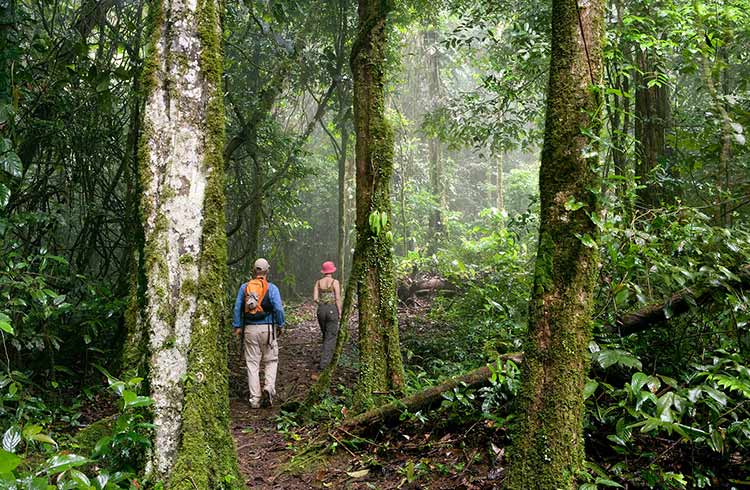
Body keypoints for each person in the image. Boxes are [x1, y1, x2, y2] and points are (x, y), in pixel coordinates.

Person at [232, 258, 285, 409]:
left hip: (249, 329)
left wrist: (237, 326)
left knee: (252, 364)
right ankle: (268, 388)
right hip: (267, 329)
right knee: (271, 361)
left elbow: (237, 308)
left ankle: (254, 399)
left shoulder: (245, 287)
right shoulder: (272, 288)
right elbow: (278, 309)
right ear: (267, 271)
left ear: (254, 271)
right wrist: (281, 325)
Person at [313, 260, 342, 371]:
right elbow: (338, 298)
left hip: (321, 310)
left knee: (326, 335)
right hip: (332, 309)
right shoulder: (335, 282)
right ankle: (324, 364)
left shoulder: (318, 282)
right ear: (332, 271)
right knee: (330, 337)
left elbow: (315, 298)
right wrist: (339, 312)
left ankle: (327, 358)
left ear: (324, 271)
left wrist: (321, 304)